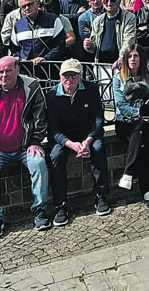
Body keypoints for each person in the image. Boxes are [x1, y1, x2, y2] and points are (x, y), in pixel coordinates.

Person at [0, 56, 52, 237]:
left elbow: (40, 117)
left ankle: (40, 211)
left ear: (17, 70)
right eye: (0, 72)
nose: (4, 75)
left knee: (39, 163)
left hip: (26, 147)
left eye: (8, 71)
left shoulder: (31, 86)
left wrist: (35, 142)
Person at [46, 58, 111, 225]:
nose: (69, 79)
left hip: (87, 134)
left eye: (73, 75)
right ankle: (60, 204)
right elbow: (53, 129)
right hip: (63, 137)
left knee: (98, 148)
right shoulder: (52, 95)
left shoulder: (91, 89)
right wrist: (71, 144)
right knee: (55, 156)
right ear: (60, 76)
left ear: (80, 75)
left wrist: (88, 140)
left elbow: (98, 119)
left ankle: (101, 195)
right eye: (65, 75)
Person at [113, 44, 149, 202]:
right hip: (125, 122)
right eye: (130, 56)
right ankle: (148, 187)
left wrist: (145, 111)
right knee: (142, 144)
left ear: (142, 58)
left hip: (147, 121)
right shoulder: (118, 78)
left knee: (141, 128)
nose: (133, 59)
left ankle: (129, 172)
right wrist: (138, 113)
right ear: (125, 59)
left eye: (136, 56)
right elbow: (121, 104)